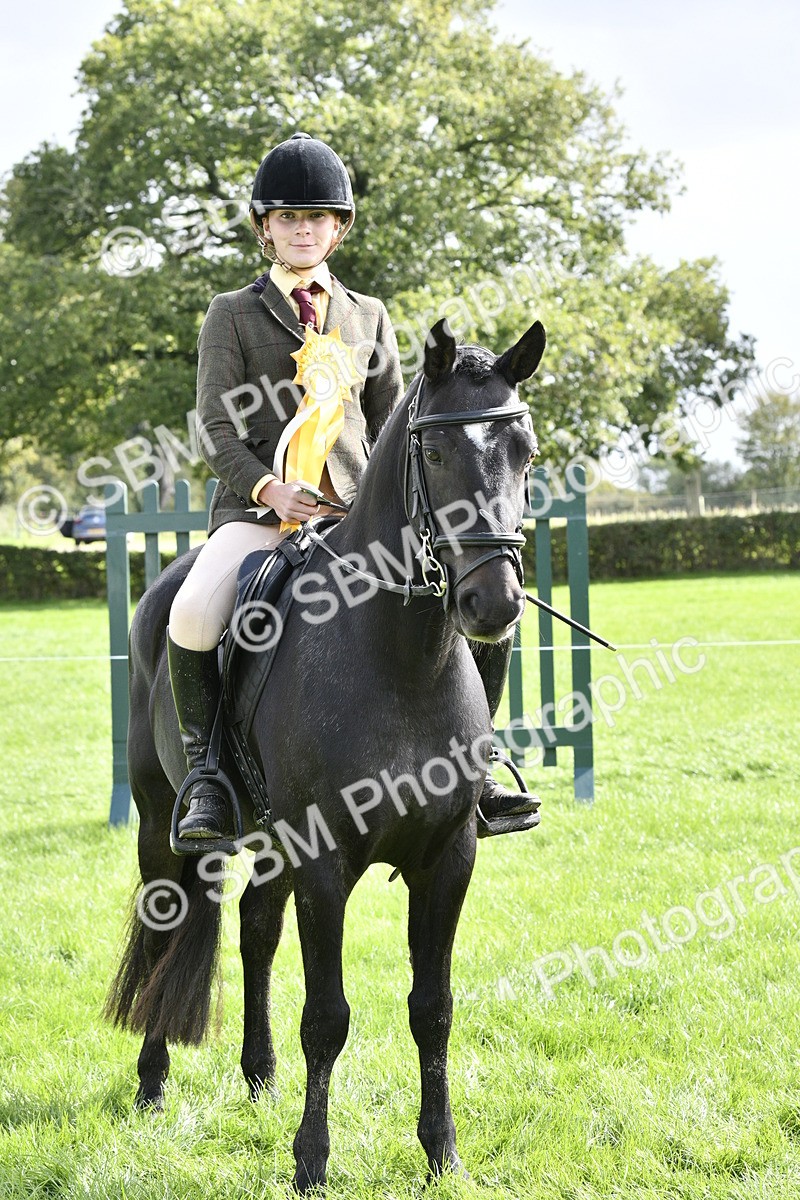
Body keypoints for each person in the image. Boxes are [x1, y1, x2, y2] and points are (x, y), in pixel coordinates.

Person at [167, 132, 539, 841]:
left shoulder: (367, 315)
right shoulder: (233, 314)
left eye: (316, 218)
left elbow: (395, 424)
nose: (302, 229)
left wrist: (385, 507)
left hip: (353, 516)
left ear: (337, 229)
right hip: (260, 517)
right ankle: (209, 777)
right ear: (264, 228)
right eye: (286, 218)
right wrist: (268, 491)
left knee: (485, 598)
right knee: (191, 613)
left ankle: (477, 767)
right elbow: (216, 425)